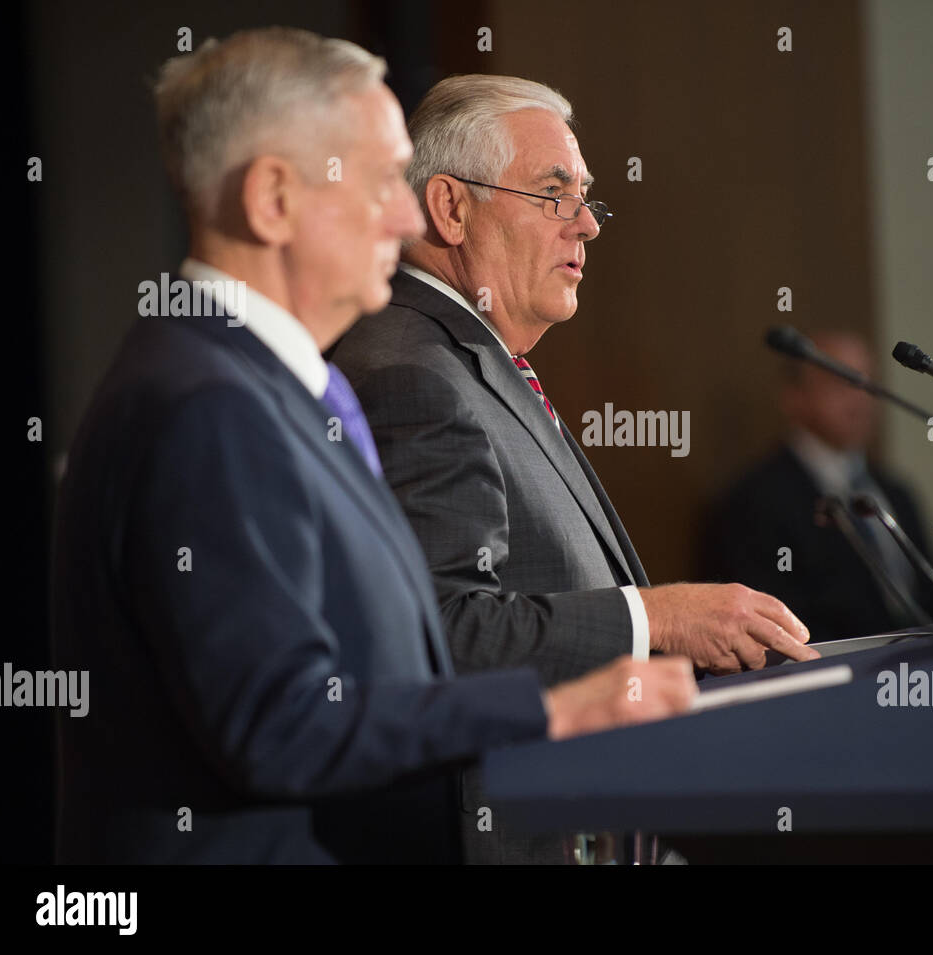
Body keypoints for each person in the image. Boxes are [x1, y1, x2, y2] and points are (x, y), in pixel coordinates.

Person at [49, 28, 695, 865]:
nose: (404, 213)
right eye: (384, 178)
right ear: (272, 199)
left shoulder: (262, 387)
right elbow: (280, 724)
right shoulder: (207, 405)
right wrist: (552, 708)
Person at [329, 74, 817, 863]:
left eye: (586, 198)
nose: (586, 225)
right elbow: (444, 633)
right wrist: (655, 618)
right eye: (554, 194)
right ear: (451, 208)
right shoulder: (410, 373)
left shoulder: (474, 362)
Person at [704, 330, 933, 643]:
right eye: (842, 381)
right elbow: (771, 627)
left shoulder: (898, 492)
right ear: (793, 397)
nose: (859, 398)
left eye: (867, 382)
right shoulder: (753, 503)